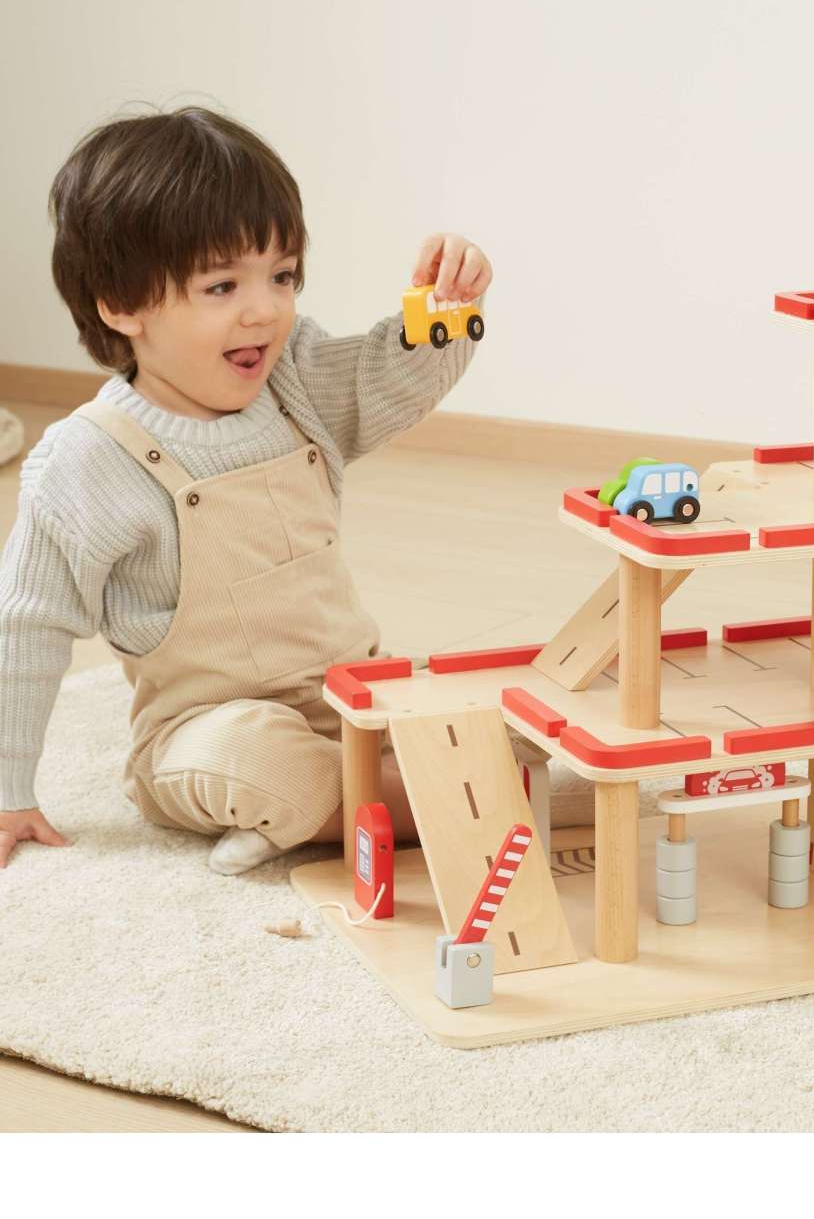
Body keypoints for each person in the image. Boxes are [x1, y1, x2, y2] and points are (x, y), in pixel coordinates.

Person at [0, 106, 490, 873]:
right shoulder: (88, 460)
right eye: (222, 285)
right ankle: (429, 800)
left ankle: (333, 809)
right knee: (251, 756)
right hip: (205, 728)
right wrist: (9, 790)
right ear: (121, 304)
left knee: (503, 707)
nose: (265, 309)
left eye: (281, 276)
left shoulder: (293, 378)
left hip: (351, 696)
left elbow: (386, 379)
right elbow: (25, 627)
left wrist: (446, 311)